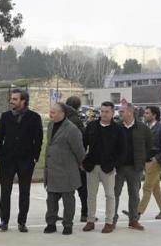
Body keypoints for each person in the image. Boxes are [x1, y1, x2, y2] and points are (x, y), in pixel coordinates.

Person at [0, 89, 43, 232]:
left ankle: (22, 221)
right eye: (12, 99)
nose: (11, 101)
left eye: (15, 99)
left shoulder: (34, 117)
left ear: (23, 101)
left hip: (26, 161)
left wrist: (35, 157)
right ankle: (4, 220)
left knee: (25, 192)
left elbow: (38, 139)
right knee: (5, 192)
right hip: (7, 160)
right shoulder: (5, 116)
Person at [44, 102, 86, 235]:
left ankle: (68, 225)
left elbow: (79, 151)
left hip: (67, 171)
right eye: (50, 112)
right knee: (51, 200)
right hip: (52, 170)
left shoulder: (72, 129)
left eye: (53, 112)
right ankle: (51, 223)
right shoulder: (51, 125)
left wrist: (83, 165)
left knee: (68, 200)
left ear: (62, 114)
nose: (50, 114)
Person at [82, 101, 123, 233]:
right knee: (91, 195)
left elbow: (122, 150)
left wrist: (114, 165)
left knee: (110, 195)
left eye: (107, 112)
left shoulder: (117, 129)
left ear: (112, 113)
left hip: (108, 168)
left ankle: (109, 222)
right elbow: (83, 144)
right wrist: (83, 161)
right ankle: (90, 220)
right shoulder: (91, 126)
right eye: (102, 111)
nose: (104, 114)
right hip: (92, 166)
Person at [114, 102, 152, 231]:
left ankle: (133, 220)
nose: (120, 114)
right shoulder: (116, 127)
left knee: (134, 194)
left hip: (135, 168)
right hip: (118, 168)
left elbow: (149, 146)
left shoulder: (143, 128)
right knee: (114, 194)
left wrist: (142, 161)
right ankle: (112, 219)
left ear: (130, 112)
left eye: (122, 112)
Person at [133, 106, 161, 220]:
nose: (144, 115)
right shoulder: (146, 127)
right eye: (145, 113)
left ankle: (137, 212)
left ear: (154, 115)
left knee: (147, 187)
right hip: (145, 160)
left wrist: (157, 158)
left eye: (147, 113)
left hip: (154, 162)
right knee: (155, 188)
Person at [64, 95, 89, 222]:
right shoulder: (76, 119)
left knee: (64, 189)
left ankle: (61, 213)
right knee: (83, 188)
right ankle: (85, 213)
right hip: (77, 158)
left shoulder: (63, 116)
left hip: (64, 158)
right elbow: (83, 138)